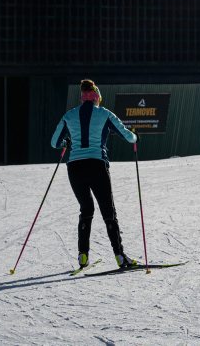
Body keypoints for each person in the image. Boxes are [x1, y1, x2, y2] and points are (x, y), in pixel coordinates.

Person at [50, 79, 139, 270]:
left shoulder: (69, 115)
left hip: (75, 167)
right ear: (97, 97)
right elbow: (127, 136)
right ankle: (120, 257)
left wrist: (66, 142)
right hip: (97, 165)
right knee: (108, 211)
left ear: (82, 97)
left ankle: (83, 257)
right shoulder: (105, 114)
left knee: (86, 209)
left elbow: (54, 142)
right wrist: (135, 136)